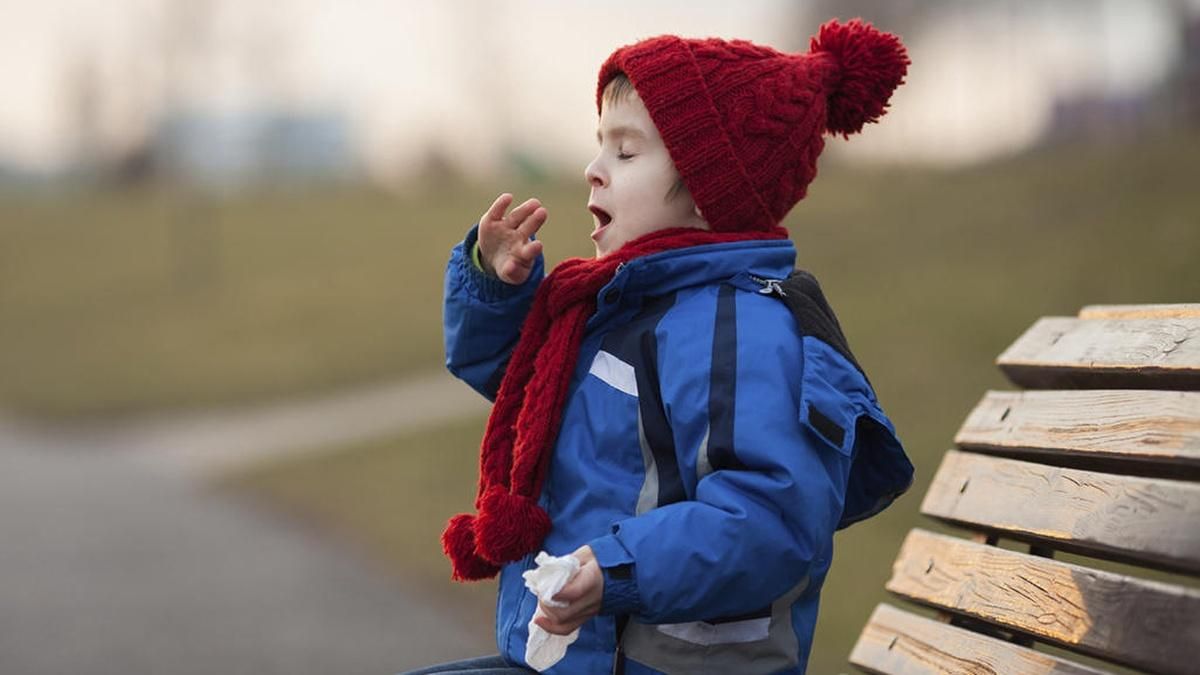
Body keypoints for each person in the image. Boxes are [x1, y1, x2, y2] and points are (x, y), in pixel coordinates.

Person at [416, 18, 916, 675]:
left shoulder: (741, 330)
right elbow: (520, 384)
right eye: (601, 146)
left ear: (711, 193)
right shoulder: (622, 305)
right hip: (579, 657)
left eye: (625, 153)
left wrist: (618, 567)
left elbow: (769, 518)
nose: (593, 171)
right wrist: (496, 288)